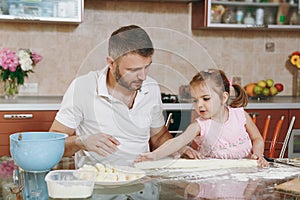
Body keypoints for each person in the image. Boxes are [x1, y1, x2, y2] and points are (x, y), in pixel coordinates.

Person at [49, 25, 174, 167]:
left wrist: (177, 148)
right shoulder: (83, 87)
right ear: (111, 63)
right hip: (97, 183)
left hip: (142, 180)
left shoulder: (151, 87)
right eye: (133, 70)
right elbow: (54, 143)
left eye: (147, 66)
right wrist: (81, 141)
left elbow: (158, 136)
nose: (143, 76)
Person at [135, 69, 269, 167]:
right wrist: (154, 155)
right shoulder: (199, 126)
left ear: (224, 97)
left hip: (245, 176)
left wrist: (258, 155)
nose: (199, 105)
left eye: (205, 98)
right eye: (195, 100)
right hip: (214, 181)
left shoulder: (240, 115)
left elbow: (257, 139)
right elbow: (177, 142)